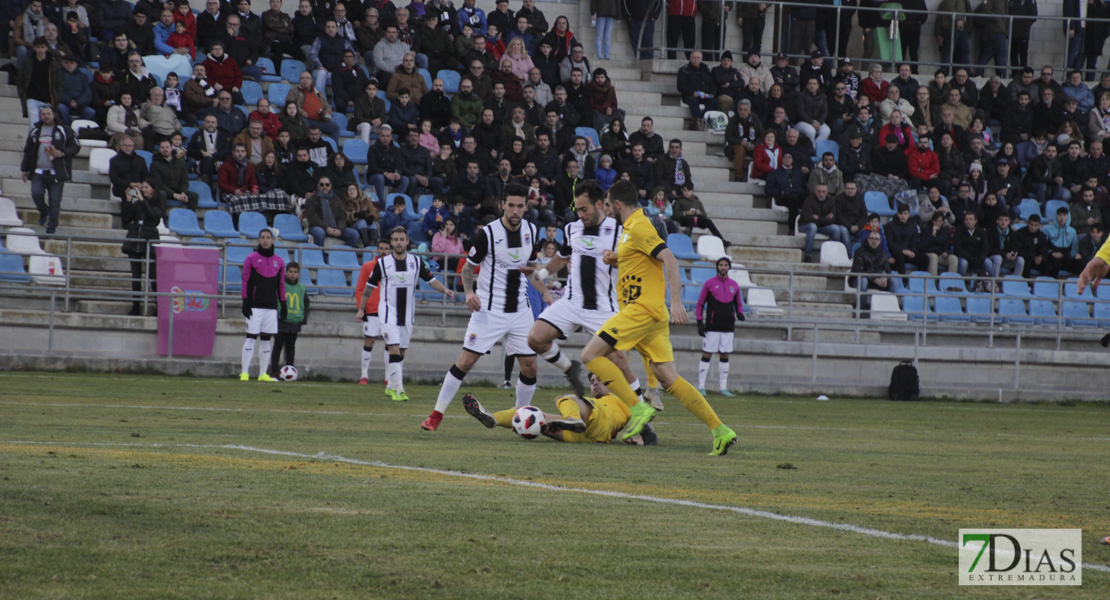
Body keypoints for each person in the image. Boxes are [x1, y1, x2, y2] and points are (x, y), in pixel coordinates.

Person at [578, 180, 737, 455]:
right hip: (649, 316)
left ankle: (638, 408)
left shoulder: (639, 226)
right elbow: (641, 259)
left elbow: (669, 258)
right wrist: (616, 258)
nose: (605, 209)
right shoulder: (629, 229)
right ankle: (720, 430)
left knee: (590, 355)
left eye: (607, 204)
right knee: (668, 378)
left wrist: (676, 301)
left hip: (641, 310)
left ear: (616, 204)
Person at [421, 184, 553, 431]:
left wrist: (546, 294)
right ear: (503, 205)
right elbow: (467, 269)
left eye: (520, 206)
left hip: (520, 309)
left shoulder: (532, 231)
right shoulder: (488, 234)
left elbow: (532, 269)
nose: (515, 210)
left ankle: (519, 418)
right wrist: (469, 291)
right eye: (511, 205)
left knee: (530, 365)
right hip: (489, 309)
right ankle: (436, 415)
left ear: (526, 207)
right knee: (466, 361)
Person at [526, 181, 630, 399]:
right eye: (577, 209)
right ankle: (569, 368)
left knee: (620, 362)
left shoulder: (619, 232)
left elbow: (633, 265)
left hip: (603, 308)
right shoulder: (572, 229)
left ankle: (641, 417)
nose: (580, 214)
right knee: (535, 338)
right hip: (571, 303)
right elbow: (561, 258)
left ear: (600, 204)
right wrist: (541, 274)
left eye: (584, 209)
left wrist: (618, 261)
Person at [365, 226, 455, 401]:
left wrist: (445, 290)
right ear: (391, 242)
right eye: (395, 239)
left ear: (407, 241)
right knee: (394, 349)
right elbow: (369, 287)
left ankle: (390, 386)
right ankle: (399, 389)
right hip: (387, 313)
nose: (398, 242)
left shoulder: (416, 262)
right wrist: (361, 309)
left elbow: (431, 280)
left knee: (401, 352)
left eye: (401, 239)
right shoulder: (382, 264)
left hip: (407, 315)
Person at [462, 373, 658, 444]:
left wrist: (641, 435)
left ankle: (572, 420)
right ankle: (493, 418)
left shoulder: (622, 396)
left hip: (600, 420)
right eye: (592, 381)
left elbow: (645, 415)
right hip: (587, 436)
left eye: (600, 380)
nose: (595, 383)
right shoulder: (596, 400)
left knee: (564, 398)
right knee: (531, 413)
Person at [20, 105, 79, 235]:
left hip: (57, 173)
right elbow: (27, 151)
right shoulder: (35, 131)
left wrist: (62, 153)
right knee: (36, 194)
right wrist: (24, 169)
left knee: (55, 202)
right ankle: (43, 211)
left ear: (54, 115)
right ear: (40, 116)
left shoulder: (65, 129)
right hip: (38, 172)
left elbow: (76, 146)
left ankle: (51, 227)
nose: (46, 116)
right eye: (43, 114)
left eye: (48, 114)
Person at [239, 228, 285, 382]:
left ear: (272, 240)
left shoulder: (279, 261)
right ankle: (244, 372)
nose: (265, 240)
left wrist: (283, 303)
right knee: (251, 337)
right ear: (258, 240)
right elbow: (245, 280)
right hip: (255, 306)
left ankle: (263, 374)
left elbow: (281, 285)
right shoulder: (250, 259)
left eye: (268, 237)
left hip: (271, 307)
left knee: (266, 339)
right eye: (262, 237)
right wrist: (245, 301)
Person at [695, 256, 743, 397]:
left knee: (725, 354)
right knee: (707, 353)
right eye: (721, 265)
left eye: (725, 265)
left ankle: (723, 388)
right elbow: (700, 304)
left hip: (728, 326)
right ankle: (701, 387)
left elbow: (738, 303)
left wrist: (739, 313)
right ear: (717, 267)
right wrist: (699, 322)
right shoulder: (709, 284)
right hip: (712, 325)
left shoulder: (734, 285)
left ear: (729, 267)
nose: (723, 267)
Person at [119, 179, 163, 316]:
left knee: (153, 275)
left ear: (153, 189)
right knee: (136, 276)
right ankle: (135, 306)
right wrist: (127, 201)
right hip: (134, 237)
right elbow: (126, 220)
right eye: (142, 187)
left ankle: (158, 306)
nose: (143, 189)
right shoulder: (137, 203)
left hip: (149, 237)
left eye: (146, 187)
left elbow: (153, 217)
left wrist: (142, 201)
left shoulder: (158, 203)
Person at [355, 240, 394, 385]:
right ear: (377, 250)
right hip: (372, 310)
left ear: (390, 250)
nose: (383, 251)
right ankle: (364, 376)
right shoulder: (368, 267)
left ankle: (388, 378)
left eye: (386, 248)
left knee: (390, 343)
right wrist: (361, 308)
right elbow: (360, 289)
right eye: (381, 248)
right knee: (369, 340)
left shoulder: (394, 268)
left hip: (389, 311)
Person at [267, 262, 310, 379]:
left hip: (295, 321)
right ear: (286, 272)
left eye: (295, 272)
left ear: (299, 274)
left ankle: (290, 370)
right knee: (278, 346)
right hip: (281, 321)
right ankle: (274, 372)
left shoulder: (301, 288)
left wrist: (303, 317)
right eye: (290, 272)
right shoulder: (281, 286)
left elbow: (306, 303)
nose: (292, 274)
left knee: (291, 348)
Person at [799, 183, 851, 263]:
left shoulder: (831, 200)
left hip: (822, 226)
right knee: (813, 226)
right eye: (819, 191)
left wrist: (818, 217)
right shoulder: (809, 200)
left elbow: (833, 220)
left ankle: (835, 255)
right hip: (806, 226)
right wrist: (825, 218)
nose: (821, 194)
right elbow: (807, 218)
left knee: (835, 228)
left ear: (827, 192)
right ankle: (808, 255)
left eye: (823, 191)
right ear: (815, 192)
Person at [305, 176, 360, 247]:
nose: (324, 186)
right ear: (318, 186)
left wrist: (340, 229)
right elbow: (313, 218)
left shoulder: (336, 199)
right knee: (318, 233)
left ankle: (341, 255)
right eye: (322, 184)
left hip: (336, 227)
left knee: (354, 234)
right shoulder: (311, 200)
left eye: (327, 184)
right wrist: (326, 227)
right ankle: (321, 257)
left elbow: (342, 217)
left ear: (330, 186)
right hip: (319, 227)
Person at [285, 70, 342, 140]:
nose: (305, 80)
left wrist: (328, 114)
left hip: (320, 120)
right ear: (299, 81)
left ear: (311, 80)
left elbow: (327, 106)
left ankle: (333, 149)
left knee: (335, 127)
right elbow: (289, 104)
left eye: (307, 78)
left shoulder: (318, 92)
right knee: (303, 123)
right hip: (304, 119)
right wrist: (301, 112)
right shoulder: (294, 91)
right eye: (302, 78)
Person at [150, 139, 198, 211]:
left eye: (167, 147)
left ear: (171, 148)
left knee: (194, 196)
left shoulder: (180, 162)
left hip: (178, 191)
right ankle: (162, 220)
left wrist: (183, 193)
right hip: (164, 192)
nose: (165, 149)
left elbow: (185, 180)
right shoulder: (155, 164)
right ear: (159, 149)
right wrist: (174, 194)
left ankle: (189, 219)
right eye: (162, 147)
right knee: (161, 194)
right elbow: (159, 183)